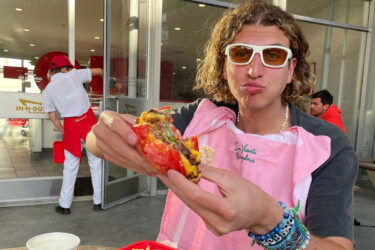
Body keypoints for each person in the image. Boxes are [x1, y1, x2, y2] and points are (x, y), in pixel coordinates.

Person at [90, 1, 357, 249]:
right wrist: (101, 135)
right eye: (241, 54)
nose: (254, 70)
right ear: (224, 64)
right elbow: (100, 140)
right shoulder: (201, 117)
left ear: (290, 69)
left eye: (273, 56)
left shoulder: (326, 145)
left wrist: (271, 221)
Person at [42, 55, 104, 215]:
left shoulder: (47, 90)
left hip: (70, 125)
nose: (71, 70)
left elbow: (53, 117)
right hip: (88, 121)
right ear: (64, 69)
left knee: (70, 167)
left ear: (52, 71)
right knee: (96, 163)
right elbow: (98, 71)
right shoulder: (73, 75)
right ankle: (99, 201)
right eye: (69, 67)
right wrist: (106, 74)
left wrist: (65, 132)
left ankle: (64, 205)